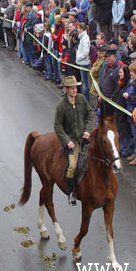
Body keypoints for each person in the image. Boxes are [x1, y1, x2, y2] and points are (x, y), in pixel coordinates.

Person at [53, 76, 94, 205]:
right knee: (72, 166)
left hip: (85, 138)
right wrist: (67, 141)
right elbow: (57, 126)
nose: (74, 90)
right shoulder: (61, 106)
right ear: (66, 89)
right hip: (72, 142)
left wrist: (87, 130)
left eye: (75, 88)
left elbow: (90, 115)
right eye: (71, 88)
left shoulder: (81, 99)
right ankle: (70, 193)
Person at [75, 23, 91, 102]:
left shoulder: (85, 39)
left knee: (85, 83)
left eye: (78, 28)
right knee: (83, 82)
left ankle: (86, 100)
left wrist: (78, 57)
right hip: (81, 63)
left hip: (84, 64)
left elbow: (85, 52)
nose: (77, 29)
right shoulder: (82, 38)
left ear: (81, 29)